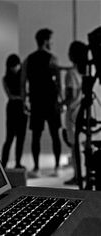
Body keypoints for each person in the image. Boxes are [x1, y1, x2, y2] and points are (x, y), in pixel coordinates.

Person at [21, 28, 62, 177]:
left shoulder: (28, 60)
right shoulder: (53, 59)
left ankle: (37, 168)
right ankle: (57, 167)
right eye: (51, 39)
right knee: (54, 134)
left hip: (36, 102)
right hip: (50, 102)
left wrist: (24, 100)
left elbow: (22, 82)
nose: (52, 42)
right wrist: (60, 101)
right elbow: (59, 83)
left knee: (36, 136)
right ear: (45, 41)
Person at [63, 41, 88, 185]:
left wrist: (59, 104)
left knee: (75, 146)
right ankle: (82, 174)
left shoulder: (71, 73)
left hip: (73, 113)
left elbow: (70, 95)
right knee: (83, 145)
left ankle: (77, 175)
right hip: (82, 111)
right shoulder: (84, 72)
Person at [1, 54, 28, 169]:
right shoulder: (7, 78)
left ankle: (15, 163)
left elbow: (12, 95)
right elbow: (11, 96)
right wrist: (21, 98)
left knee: (19, 138)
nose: (15, 68)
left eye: (16, 65)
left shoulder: (21, 77)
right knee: (10, 138)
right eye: (13, 66)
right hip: (15, 107)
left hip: (18, 107)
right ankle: (4, 164)